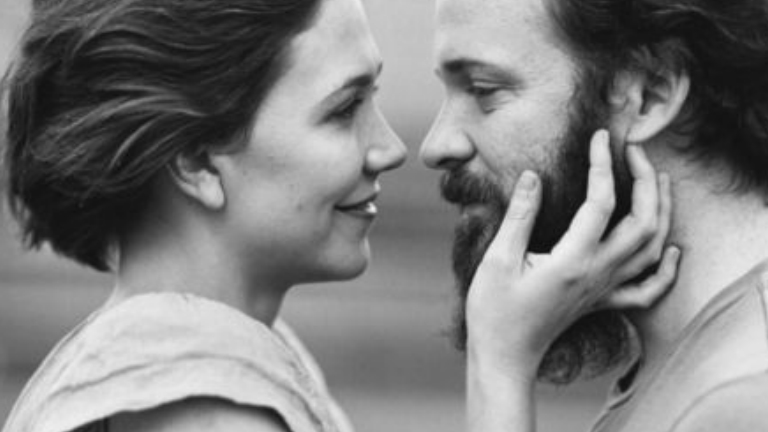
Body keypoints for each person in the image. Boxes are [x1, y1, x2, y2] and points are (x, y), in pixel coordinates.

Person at [1, 0, 676, 431]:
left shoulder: (202, 360)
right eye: (344, 109)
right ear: (199, 161)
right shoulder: (202, 410)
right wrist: (501, 364)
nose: (391, 148)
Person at [422, 0, 768, 430]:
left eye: (483, 90)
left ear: (649, 96)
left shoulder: (742, 399)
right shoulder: (704, 369)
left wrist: (498, 366)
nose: (436, 145)